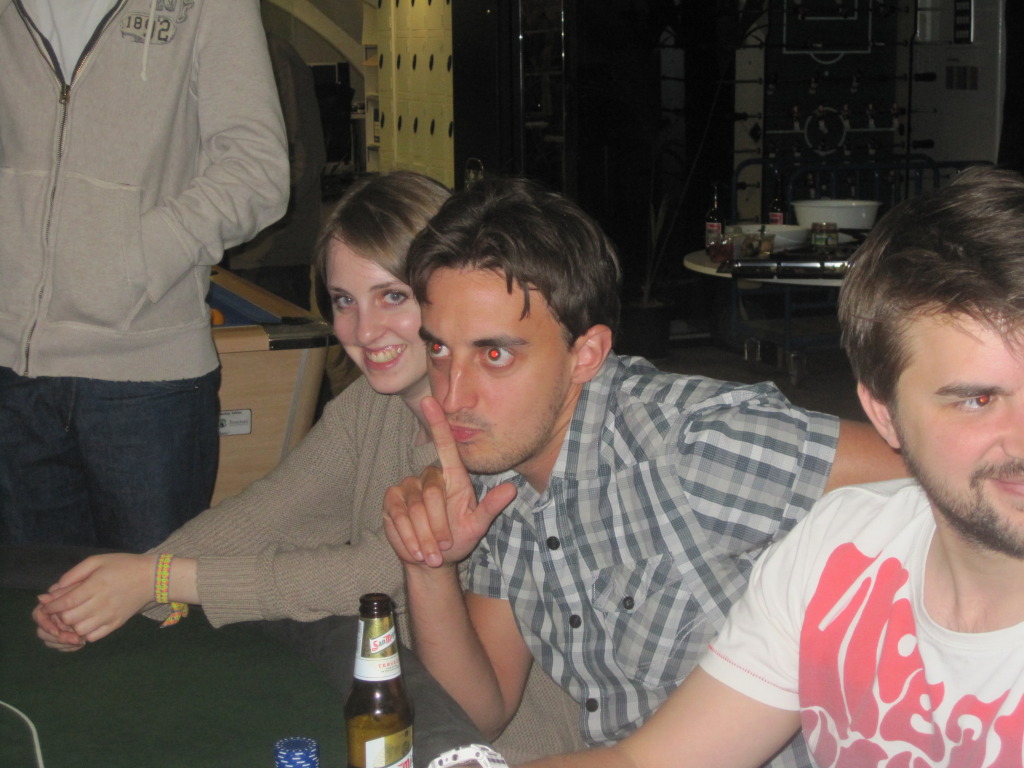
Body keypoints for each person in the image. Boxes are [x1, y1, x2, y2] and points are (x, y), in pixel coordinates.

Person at [29, 171, 584, 765]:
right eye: (345, 300)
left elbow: (372, 573)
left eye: (392, 296)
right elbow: (262, 515)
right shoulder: (368, 407)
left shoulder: (490, 435)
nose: (363, 331)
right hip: (400, 705)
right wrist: (124, 586)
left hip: (509, 743)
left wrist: (163, 581)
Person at [382, 176, 907, 766]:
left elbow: (937, 472)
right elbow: (480, 709)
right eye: (440, 350)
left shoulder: (695, 446)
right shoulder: (496, 482)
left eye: (495, 354)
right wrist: (428, 561)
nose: (452, 396)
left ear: (586, 356)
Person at [515, 164, 1024, 768]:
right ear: (884, 415)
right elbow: (651, 763)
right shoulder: (839, 554)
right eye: (977, 399)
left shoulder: (694, 438)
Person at [0, 0, 290, 552]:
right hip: (10, 369)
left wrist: (141, 252)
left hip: (146, 379)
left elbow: (258, 170)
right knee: (31, 617)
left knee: (153, 614)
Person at [227, 32, 328, 309]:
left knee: (277, 345)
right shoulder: (218, 51)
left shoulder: (274, 55)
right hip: (227, 248)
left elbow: (305, 159)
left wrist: (250, 220)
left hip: (270, 253)